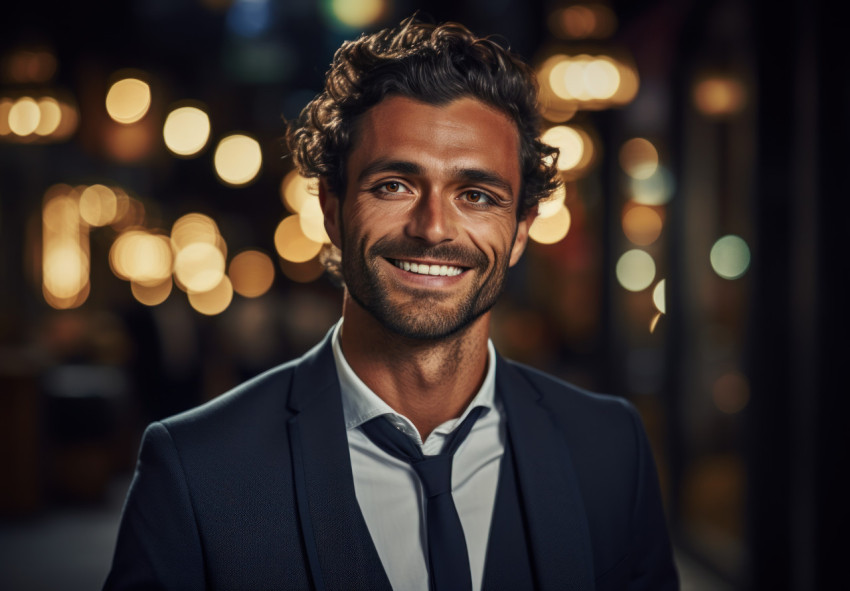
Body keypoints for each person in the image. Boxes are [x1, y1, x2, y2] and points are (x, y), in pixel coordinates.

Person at [104, 16, 679, 591]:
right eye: (393, 186)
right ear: (331, 208)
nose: (433, 228)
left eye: (476, 195)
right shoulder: (194, 467)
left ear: (522, 229)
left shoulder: (610, 448)